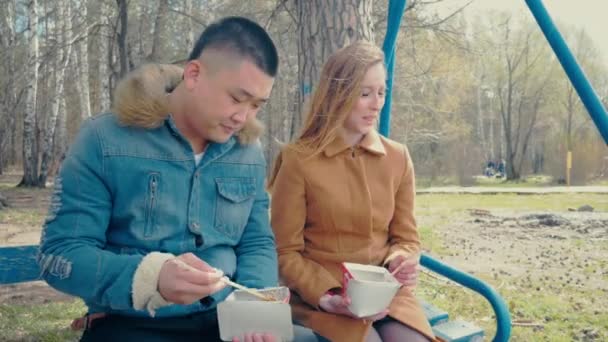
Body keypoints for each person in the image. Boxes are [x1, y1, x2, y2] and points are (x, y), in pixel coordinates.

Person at [38, 16, 315, 342]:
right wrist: (150, 278)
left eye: (256, 105)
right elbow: (60, 253)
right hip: (130, 323)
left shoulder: (247, 153)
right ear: (194, 74)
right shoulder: (104, 139)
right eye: (237, 98)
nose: (243, 117)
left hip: (225, 321)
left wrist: (253, 310)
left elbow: (255, 242)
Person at [268, 41, 436, 342]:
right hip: (325, 299)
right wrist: (327, 296)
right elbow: (285, 252)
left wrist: (402, 259)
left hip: (388, 297)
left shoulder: (398, 157)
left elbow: (407, 238)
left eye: (381, 92)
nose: (377, 103)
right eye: (365, 93)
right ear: (337, 95)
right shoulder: (298, 160)